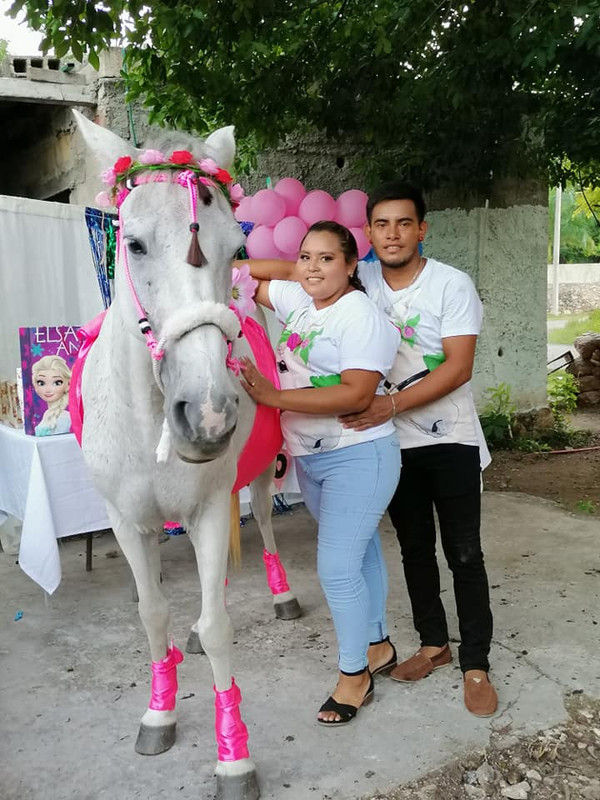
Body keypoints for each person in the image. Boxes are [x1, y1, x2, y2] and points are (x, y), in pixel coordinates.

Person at [341, 181, 497, 717]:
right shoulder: (357, 279)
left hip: (449, 437)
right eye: (381, 224)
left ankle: (475, 661)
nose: (393, 234)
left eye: (404, 223)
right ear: (367, 233)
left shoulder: (451, 284)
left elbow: (458, 367)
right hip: (391, 447)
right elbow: (292, 271)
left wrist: (388, 405)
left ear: (421, 229)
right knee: (413, 550)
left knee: (464, 554)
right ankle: (435, 644)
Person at [239, 221, 401, 726]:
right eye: (305, 256)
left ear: (353, 266)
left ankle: (354, 674)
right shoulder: (301, 303)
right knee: (362, 551)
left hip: (360, 454)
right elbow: (241, 275)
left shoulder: (361, 315)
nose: (312, 267)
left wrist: (273, 397)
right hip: (313, 456)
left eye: (327, 258)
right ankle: (378, 645)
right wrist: (298, 270)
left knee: (335, 567)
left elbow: (356, 393)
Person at [32, 355, 72, 436]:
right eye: (41, 383)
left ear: (68, 384)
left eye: (57, 383)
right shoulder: (48, 414)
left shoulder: (64, 418)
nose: (48, 389)